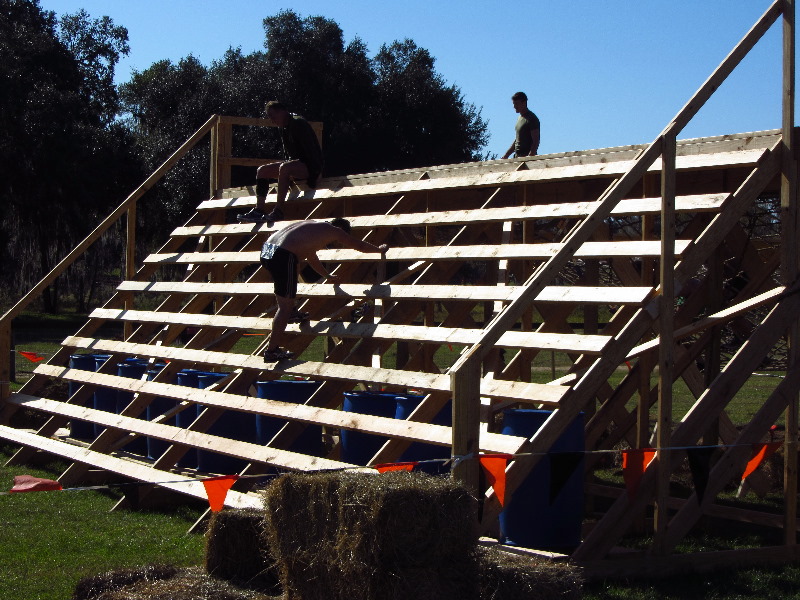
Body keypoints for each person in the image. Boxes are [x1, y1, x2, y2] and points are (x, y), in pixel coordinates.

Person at [260, 218, 388, 362]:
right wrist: (379, 249)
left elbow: (311, 257)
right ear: (341, 229)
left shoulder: (312, 227)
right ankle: (272, 351)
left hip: (267, 250)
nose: (335, 242)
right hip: (283, 255)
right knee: (284, 307)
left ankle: (292, 311)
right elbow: (359, 245)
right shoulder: (334, 231)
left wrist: (327, 276)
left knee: (294, 267)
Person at [239, 101, 325, 224]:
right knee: (262, 171)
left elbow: (313, 151)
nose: (272, 120)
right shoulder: (283, 128)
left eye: (273, 116)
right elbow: (288, 155)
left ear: (282, 111)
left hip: (310, 167)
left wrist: (315, 174)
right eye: (269, 117)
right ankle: (259, 210)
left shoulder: (298, 123)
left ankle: (278, 210)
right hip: (295, 165)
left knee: (285, 167)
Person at [501, 91, 540, 159]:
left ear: (524, 102)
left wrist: (530, 156)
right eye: (513, 104)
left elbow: (536, 140)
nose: (514, 106)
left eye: (516, 104)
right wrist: (506, 155)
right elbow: (517, 140)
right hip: (517, 156)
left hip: (526, 156)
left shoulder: (532, 118)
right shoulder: (519, 118)